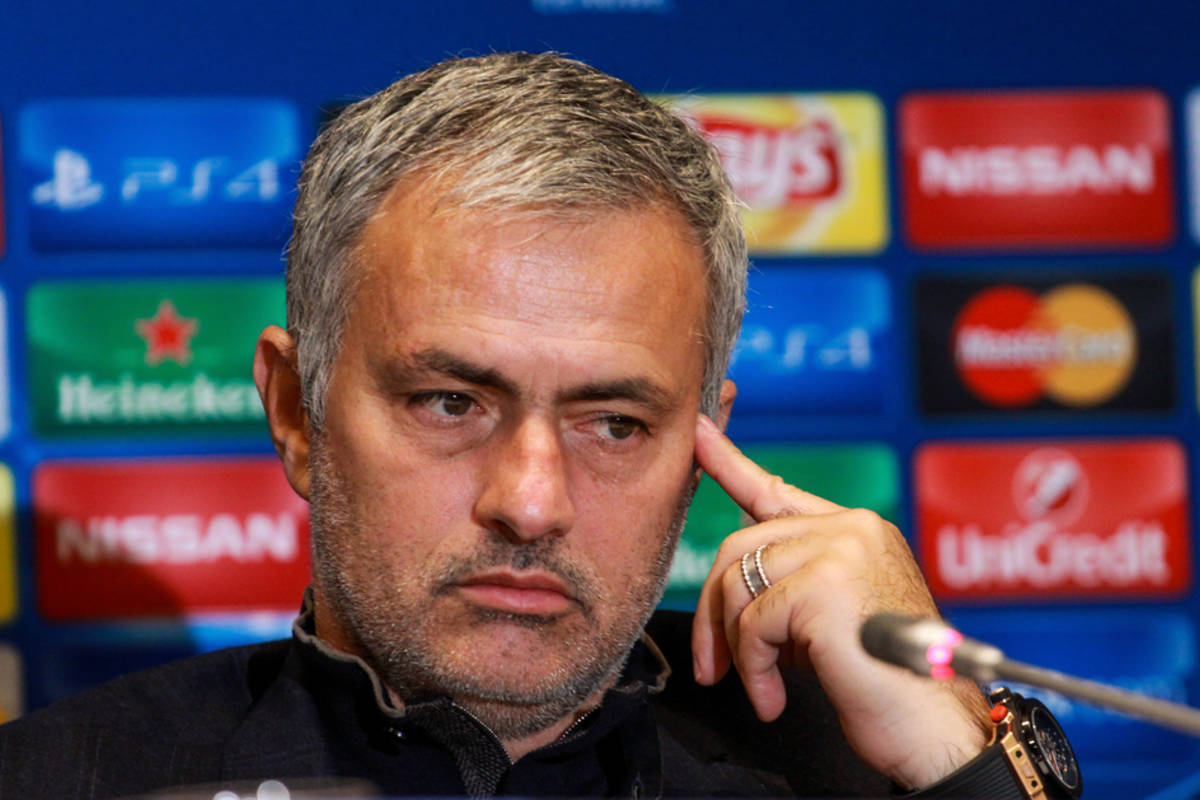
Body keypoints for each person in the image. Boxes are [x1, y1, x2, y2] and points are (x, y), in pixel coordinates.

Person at [0, 52, 1001, 798]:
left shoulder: (875, 775)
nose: (530, 503)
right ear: (298, 411)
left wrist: (962, 765)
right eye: (452, 403)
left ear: (704, 447)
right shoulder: (55, 780)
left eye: (614, 423)